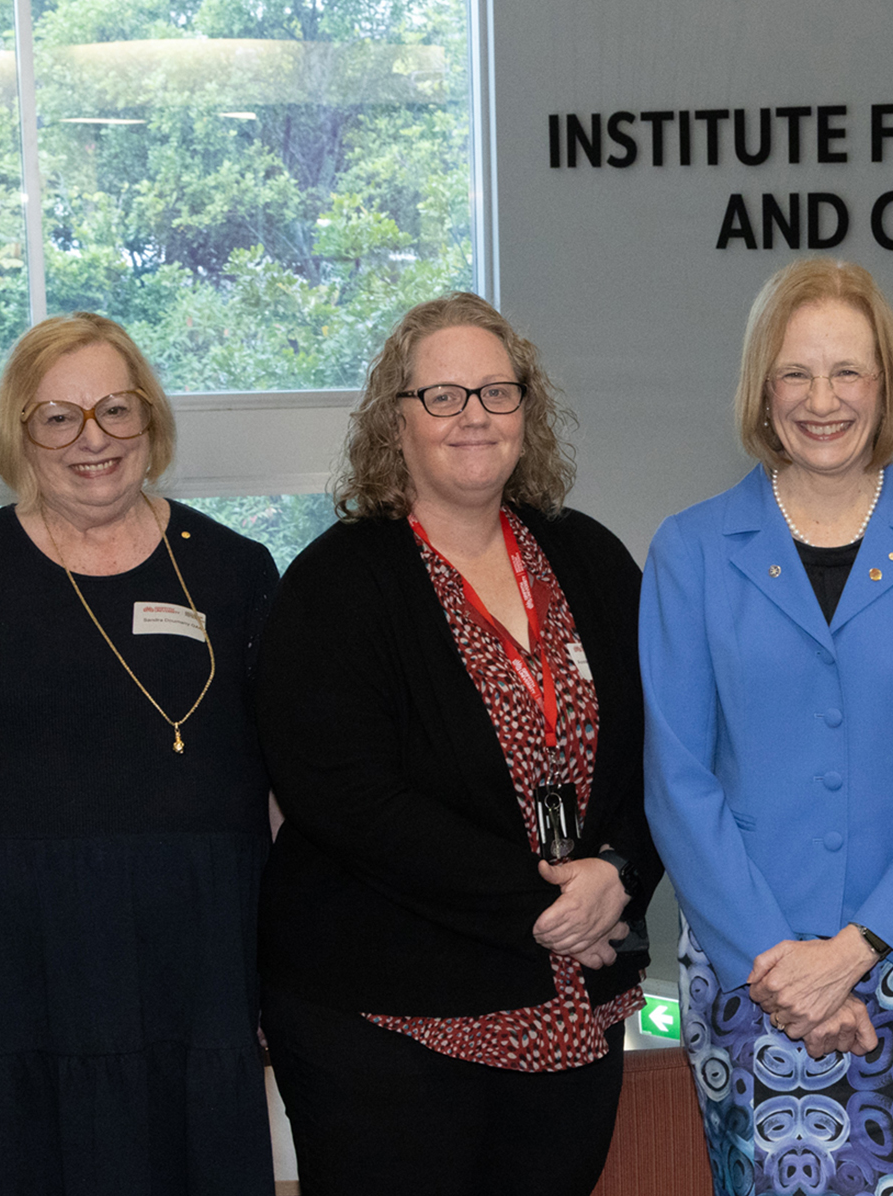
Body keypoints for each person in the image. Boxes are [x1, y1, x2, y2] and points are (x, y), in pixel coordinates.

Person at [0, 313, 278, 1192]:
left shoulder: (236, 572)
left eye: (116, 411)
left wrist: (285, 970)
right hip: (7, 979)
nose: (93, 440)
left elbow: (288, 788)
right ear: (20, 434)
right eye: (59, 417)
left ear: (150, 421)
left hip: (196, 974)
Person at [254, 292, 658, 1196]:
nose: (473, 416)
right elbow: (350, 804)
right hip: (387, 1013)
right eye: (442, 396)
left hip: (569, 1007)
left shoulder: (588, 557)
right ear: (394, 424)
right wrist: (554, 907)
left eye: (496, 392)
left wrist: (621, 875)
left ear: (528, 411)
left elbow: (660, 748)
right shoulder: (335, 587)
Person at [640, 257, 893, 1196]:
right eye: (795, 374)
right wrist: (780, 970)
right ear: (762, 391)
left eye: (847, 372)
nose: (822, 399)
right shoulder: (691, 550)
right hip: (747, 967)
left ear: (884, 384)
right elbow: (679, 780)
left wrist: (854, 953)